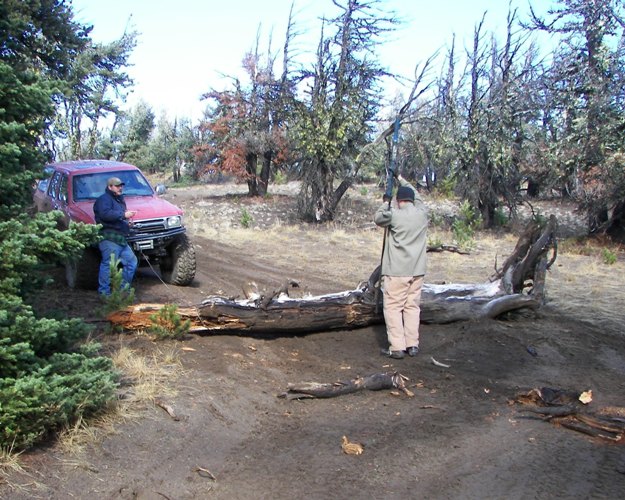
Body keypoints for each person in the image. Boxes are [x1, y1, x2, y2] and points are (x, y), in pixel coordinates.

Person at [374, 174, 428, 359]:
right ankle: (412, 345)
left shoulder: (394, 215)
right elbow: (418, 196)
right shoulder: (422, 213)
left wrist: (385, 201)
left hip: (397, 271)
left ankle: (397, 347)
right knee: (412, 307)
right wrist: (401, 178)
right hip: (417, 271)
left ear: (399, 201)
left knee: (393, 307)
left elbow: (378, 218)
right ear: (412, 200)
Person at [93, 177, 138, 296]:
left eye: (121, 186)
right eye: (117, 186)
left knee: (131, 262)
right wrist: (123, 215)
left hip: (120, 238)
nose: (120, 188)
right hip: (108, 238)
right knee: (108, 266)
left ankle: (122, 291)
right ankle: (104, 294)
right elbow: (105, 215)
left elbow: (117, 218)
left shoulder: (119, 199)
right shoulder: (103, 199)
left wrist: (126, 223)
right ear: (110, 187)